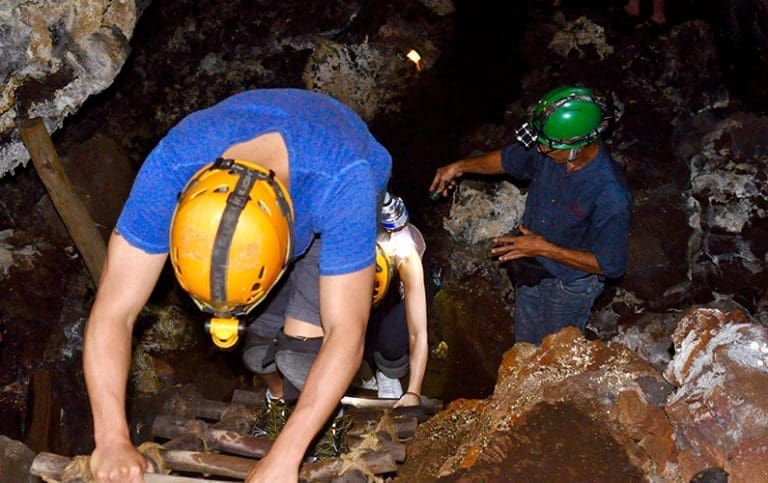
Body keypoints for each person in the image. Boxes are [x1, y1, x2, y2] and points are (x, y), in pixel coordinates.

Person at [82, 88, 391, 482]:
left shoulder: (344, 179)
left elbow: (347, 331)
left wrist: (286, 457)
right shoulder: (175, 163)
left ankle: (316, 431)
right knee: (259, 347)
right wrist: (110, 438)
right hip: (255, 163)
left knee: (301, 350)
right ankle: (278, 402)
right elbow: (113, 309)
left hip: (338, 177)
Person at [430, 85, 631, 345]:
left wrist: (543, 248)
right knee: (525, 345)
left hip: (570, 284)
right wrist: (458, 167)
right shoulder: (549, 148)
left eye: (547, 148)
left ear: (577, 146)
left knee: (553, 352)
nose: (539, 150)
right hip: (532, 264)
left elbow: (610, 265)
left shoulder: (610, 193)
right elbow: (504, 160)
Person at [362, 192, 428, 408]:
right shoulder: (345, 233)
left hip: (392, 302)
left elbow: (418, 332)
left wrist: (413, 393)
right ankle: (362, 368)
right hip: (355, 296)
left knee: (392, 341)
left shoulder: (404, 251)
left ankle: (388, 371)